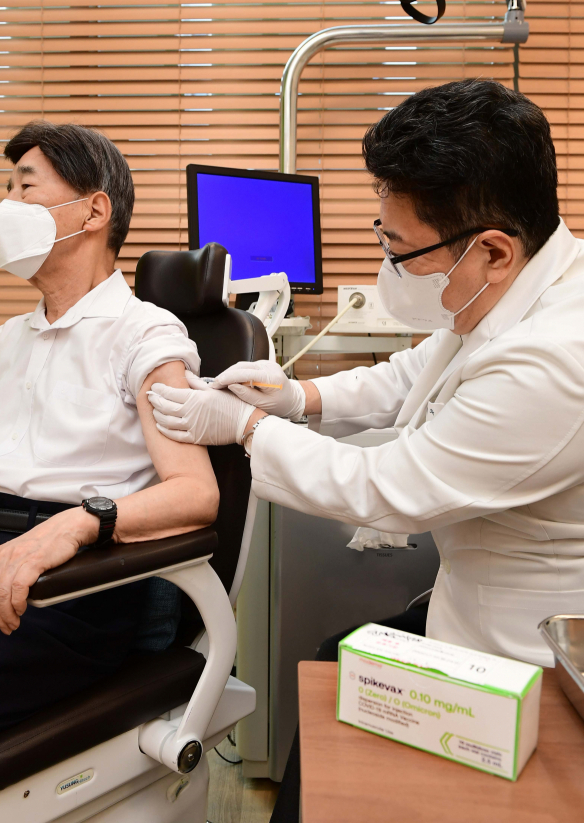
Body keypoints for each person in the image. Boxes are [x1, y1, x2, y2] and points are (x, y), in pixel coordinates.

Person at [149, 78, 584, 669]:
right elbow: (419, 371)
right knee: (332, 661)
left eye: (402, 251)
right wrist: (296, 397)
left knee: (333, 673)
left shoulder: (553, 361)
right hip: (473, 600)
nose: (391, 266)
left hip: (520, 647)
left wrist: (246, 427)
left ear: (494, 252)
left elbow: (386, 489)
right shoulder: (525, 282)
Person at [0, 122, 219, 753]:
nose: (4, 208)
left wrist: (69, 528)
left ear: (94, 210)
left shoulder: (146, 335)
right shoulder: (7, 339)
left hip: (71, 581)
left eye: (25, 187)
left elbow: (193, 492)